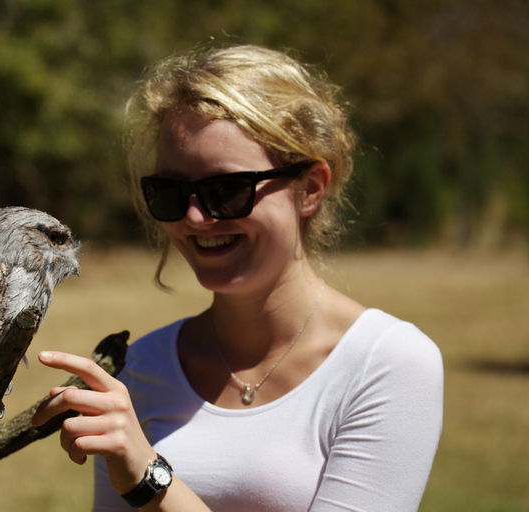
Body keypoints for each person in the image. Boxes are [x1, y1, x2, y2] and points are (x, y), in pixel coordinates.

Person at [31, 44, 444, 511]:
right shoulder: (139, 371)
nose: (194, 217)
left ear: (309, 188)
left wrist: (149, 478)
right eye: (170, 192)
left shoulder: (386, 363)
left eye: (226, 190)